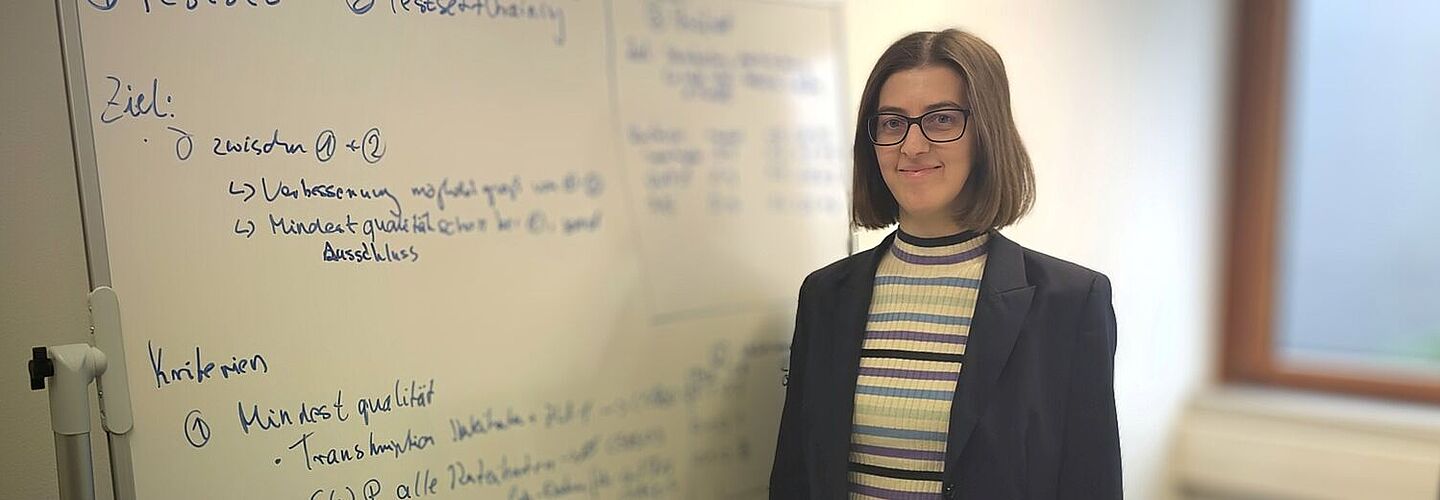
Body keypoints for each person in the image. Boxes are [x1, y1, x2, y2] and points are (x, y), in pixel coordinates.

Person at [769, 29, 1121, 499]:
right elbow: (796, 478)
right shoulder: (824, 296)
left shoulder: (1070, 302)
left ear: (987, 132)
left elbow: (1089, 484)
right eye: (892, 123)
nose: (911, 146)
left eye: (940, 119)